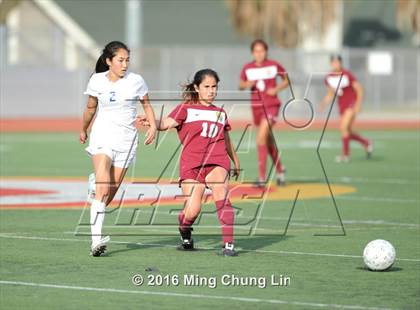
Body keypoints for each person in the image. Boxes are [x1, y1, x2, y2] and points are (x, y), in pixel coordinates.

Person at [139, 69, 240, 256]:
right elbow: (166, 124)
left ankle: (228, 245)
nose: (211, 91)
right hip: (191, 164)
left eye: (214, 87)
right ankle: (184, 229)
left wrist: (235, 161)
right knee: (192, 211)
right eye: (206, 87)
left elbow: (226, 140)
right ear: (196, 88)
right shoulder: (185, 108)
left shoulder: (221, 113)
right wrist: (152, 122)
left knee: (222, 194)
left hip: (217, 161)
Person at [79, 41, 157, 256]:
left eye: (127, 60)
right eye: (120, 60)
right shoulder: (97, 80)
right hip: (103, 137)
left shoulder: (136, 81)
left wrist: (153, 128)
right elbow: (90, 108)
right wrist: (84, 129)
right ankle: (96, 242)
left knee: (108, 195)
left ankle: (94, 186)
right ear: (109, 61)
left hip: (127, 141)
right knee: (103, 190)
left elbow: (147, 105)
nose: (125, 65)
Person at [239, 39, 289, 187]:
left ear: (266, 51)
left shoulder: (273, 65)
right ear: (252, 53)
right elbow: (241, 85)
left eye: (262, 51)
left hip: (271, 106)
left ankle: (262, 177)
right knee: (267, 142)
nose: (259, 54)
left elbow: (286, 80)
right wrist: (248, 84)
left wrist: (276, 89)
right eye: (256, 51)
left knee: (260, 138)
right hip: (256, 108)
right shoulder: (247, 68)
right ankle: (280, 170)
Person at [320, 54, 372, 163]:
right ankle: (366, 142)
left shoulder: (347, 75)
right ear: (331, 64)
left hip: (351, 103)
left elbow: (359, 89)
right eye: (333, 63)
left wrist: (358, 104)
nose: (335, 65)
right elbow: (330, 94)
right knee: (347, 130)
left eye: (337, 62)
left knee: (343, 128)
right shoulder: (328, 77)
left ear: (341, 63)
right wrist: (323, 103)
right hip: (342, 105)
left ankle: (345, 155)